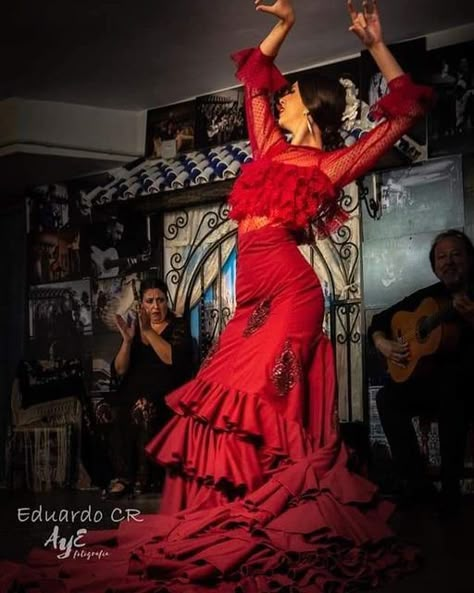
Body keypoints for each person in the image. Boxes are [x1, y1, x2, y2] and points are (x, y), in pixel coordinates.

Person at [4, 1, 433, 591]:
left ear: (310, 109)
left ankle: (278, 512)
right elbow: (256, 76)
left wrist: (378, 47)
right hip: (253, 305)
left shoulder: (329, 166)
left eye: (292, 96)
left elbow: (404, 115)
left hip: (292, 298)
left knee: (265, 397)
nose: (281, 98)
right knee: (216, 399)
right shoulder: (266, 151)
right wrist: (284, 25)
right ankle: (230, 510)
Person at [370, 229, 474, 515]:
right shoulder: (430, 297)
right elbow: (380, 319)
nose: (448, 262)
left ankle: (450, 490)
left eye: (456, 255)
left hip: (466, 386)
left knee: (453, 391)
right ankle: (417, 484)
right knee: (387, 398)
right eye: (442, 257)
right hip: (431, 385)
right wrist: (384, 342)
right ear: (434, 266)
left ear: (469, 259)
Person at [105, 278, 194, 498]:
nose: (155, 306)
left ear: (167, 301)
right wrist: (127, 341)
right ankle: (122, 477)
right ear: (142, 305)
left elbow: (172, 359)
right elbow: (120, 369)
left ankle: (143, 478)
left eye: (161, 300)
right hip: (132, 389)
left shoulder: (178, 325)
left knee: (142, 408)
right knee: (108, 409)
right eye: (150, 301)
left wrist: (149, 331)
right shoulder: (135, 329)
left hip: (164, 393)